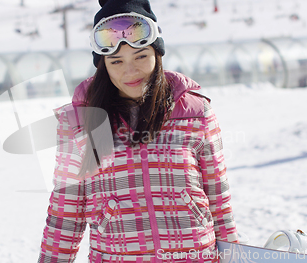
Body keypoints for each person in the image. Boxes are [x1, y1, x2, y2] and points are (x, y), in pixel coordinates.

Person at [38, 0, 238, 262]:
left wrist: (235, 255)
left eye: (141, 56)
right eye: (116, 61)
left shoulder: (195, 112)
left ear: (157, 54)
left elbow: (218, 199)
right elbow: (66, 213)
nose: (130, 71)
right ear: (103, 65)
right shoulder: (81, 123)